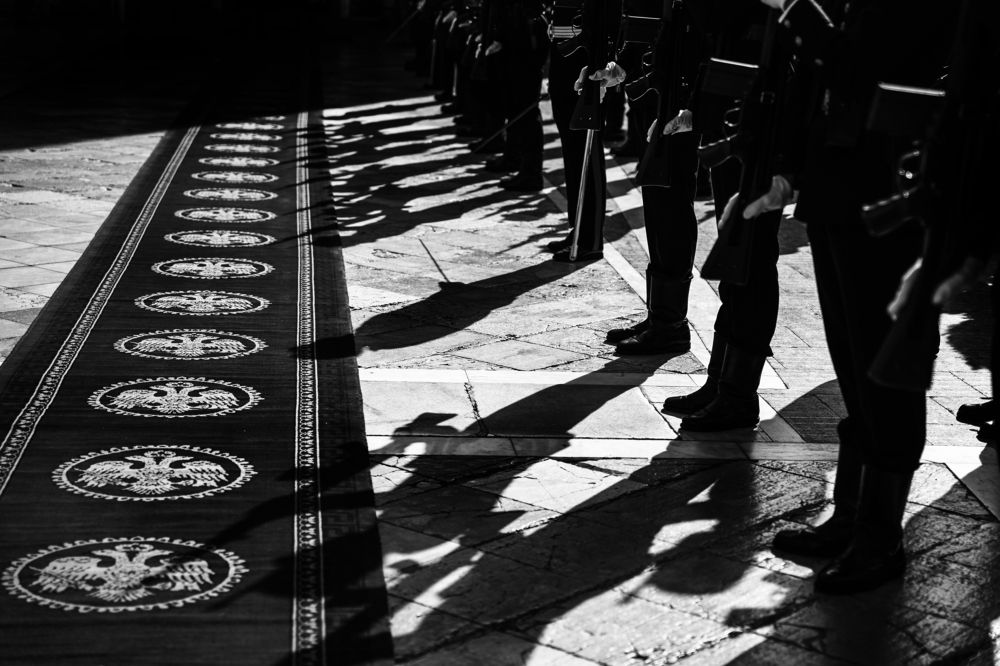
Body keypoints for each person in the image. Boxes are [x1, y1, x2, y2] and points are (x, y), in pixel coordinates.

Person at [736, 0, 961, 593]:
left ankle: (881, 536)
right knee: (853, 364)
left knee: (886, 369)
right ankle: (850, 514)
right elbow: (818, 82)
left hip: (891, 190)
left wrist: (802, 16)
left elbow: (877, 67)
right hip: (838, 183)